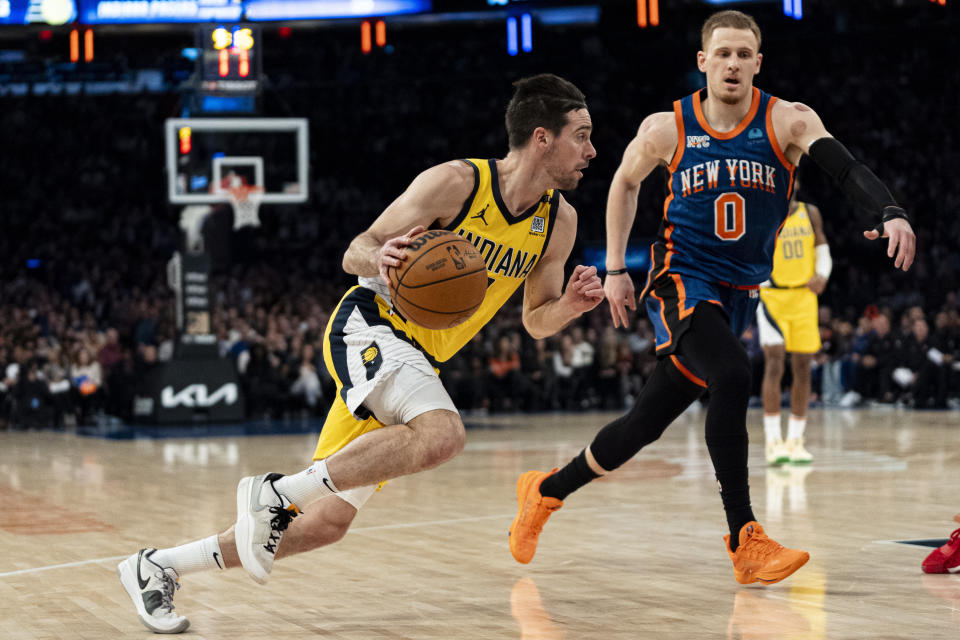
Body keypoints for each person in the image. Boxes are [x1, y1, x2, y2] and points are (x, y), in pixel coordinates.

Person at [117, 73, 603, 634]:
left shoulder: (557, 222)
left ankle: (157, 566)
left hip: (419, 358)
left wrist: (567, 307)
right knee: (444, 433)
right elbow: (356, 250)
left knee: (325, 523)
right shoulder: (455, 183)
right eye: (582, 135)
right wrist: (382, 258)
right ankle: (274, 492)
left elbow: (536, 320)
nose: (591, 151)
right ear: (542, 137)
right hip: (371, 326)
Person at [508, 10, 915, 587]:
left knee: (643, 425)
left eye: (743, 54)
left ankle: (545, 491)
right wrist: (619, 267)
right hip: (681, 276)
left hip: (740, 293)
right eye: (721, 53)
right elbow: (625, 183)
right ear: (703, 61)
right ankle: (744, 537)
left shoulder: (788, 121)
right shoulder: (666, 127)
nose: (732, 63)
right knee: (732, 375)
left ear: (757, 63)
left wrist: (889, 210)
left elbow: (845, 169)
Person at [757, 178, 830, 465]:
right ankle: (773, 441)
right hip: (772, 296)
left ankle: (796, 441)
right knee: (774, 363)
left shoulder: (809, 213)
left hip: (803, 296)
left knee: (803, 366)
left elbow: (822, 247)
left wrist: (822, 274)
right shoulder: (762, 210)